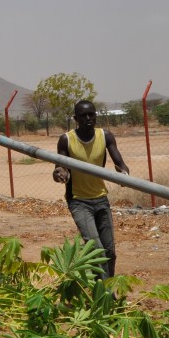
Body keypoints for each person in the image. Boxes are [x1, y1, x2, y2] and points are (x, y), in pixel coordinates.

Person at [53, 99, 131, 279]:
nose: (88, 118)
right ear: (75, 118)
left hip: (101, 199)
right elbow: (59, 169)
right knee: (97, 251)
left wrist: (123, 175)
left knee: (109, 251)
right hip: (79, 201)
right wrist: (60, 174)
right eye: (83, 115)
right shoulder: (66, 140)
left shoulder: (106, 136)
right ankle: (104, 297)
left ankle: (106, 288)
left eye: (92, 114)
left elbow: (120, 164)